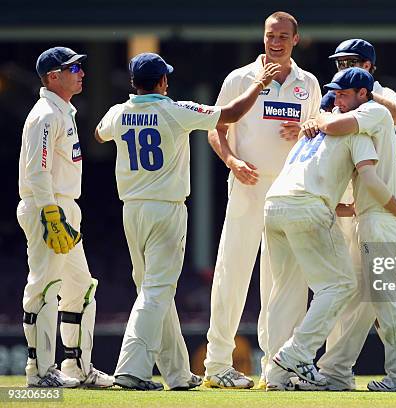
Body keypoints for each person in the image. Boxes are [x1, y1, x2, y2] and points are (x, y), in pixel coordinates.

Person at [95, 53, 280, 391]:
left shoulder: (118, 112)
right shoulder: (174, 109)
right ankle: (130, 369)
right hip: (166, 209)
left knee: (152, 290)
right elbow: (232, 114)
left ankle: (178, 373)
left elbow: (98, 134)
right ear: (163, 82)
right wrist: (259, 84)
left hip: (131, 209)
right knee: (156, 290)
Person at [265, 68, 396, 391]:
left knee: (295, 291)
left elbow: (361, 177)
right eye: (334, 93)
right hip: (326, 211)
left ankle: (282, 371)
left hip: (284, 206)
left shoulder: (356, 118)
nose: (337, 98)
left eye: (343, 93)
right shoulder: (349, 128)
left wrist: (317, 118)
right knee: (349, 290)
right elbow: (366, 179)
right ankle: (307, 360)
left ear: (363, 94)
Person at [205, 11, 321, 389]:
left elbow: (321, 134)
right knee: (232, 272)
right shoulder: (240, 78)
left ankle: (278, 369)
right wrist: (233, 161)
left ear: (296, 39)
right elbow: (216, 129)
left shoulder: (309, 83)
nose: (276, 42)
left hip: (289, 191)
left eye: (284, 36)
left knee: (284, 280)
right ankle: (217, 363)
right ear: (263, 36)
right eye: (271, 35)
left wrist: (304, 130)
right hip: (248, 185)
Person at [314, 38, 396, 390]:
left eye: (351, 62)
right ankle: (337, 370)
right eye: (339, 63)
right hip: (363, 212)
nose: (342, 68)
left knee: (384, 298)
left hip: (379, 211)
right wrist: (342, 99)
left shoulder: (373, 103)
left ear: (368, 66)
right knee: (360, 297)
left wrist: (361, 94)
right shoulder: (341, 99)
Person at [17, 46, 114, 388]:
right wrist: (50, 214)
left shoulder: (63, 111)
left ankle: (76, 368)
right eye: (73, 69)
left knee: (81, 288)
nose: (82, 73)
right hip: (48, 207)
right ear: (53, 76)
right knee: (44, 286)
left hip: (65, 207)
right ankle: (39, 372)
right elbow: (36, 171)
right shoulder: (45, 114)